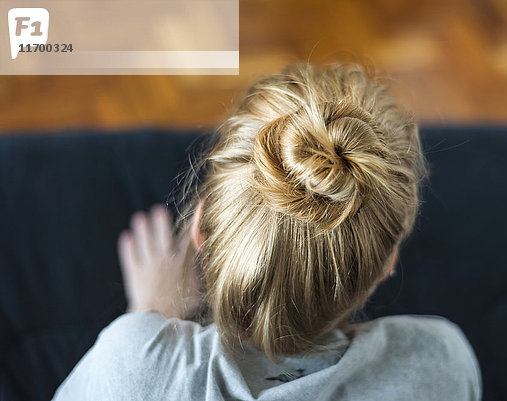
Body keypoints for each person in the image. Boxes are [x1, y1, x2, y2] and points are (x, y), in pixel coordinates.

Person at [53, 64, 481, 400]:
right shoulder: (439, 361)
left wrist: (150, 317)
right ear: (387, 263)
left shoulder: (132, 365)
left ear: (200, 229)